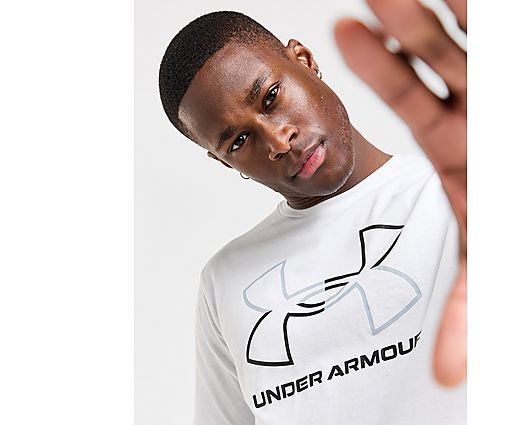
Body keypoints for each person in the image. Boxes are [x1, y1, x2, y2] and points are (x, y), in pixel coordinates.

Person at [158, 0, 466, 423]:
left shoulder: (456, 197)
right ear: (224, 162)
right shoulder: (226, 280)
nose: (278, 141)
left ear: (303, 60)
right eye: (238, 142)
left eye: (270, 97)